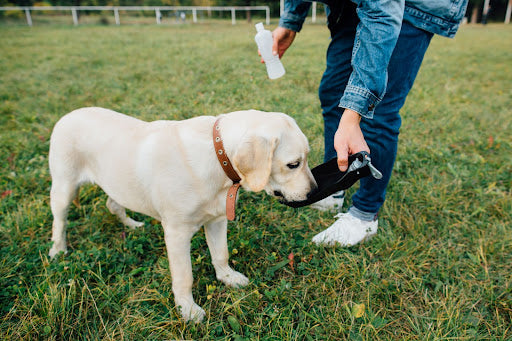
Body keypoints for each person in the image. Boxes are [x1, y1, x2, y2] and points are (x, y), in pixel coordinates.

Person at [273, 0, 468, 246]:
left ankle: (365, 216)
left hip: (409, 7)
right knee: (333, 91)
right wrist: (290, 22)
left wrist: (355, 113)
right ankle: (336, 186)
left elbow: (383, 13)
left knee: (379, 106)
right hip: (351, 7)